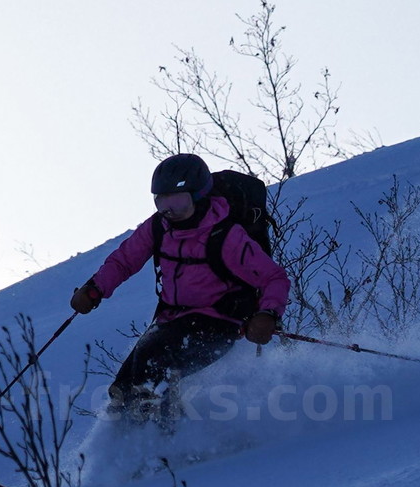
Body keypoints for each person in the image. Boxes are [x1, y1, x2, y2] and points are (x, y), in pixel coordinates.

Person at [69, 153, 291, 419]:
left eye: (179, 202)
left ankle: (169, 446)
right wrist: (94, 289)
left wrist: (267, 315)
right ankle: (125, 448)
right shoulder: (158, 227)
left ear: (200, 197)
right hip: (171, 320)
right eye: (162, 202)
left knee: (157, 375)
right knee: (124, 388)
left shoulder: (226, 236)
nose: (170, 211)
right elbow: (124, 261)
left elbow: (274, 278)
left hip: (218, 322)